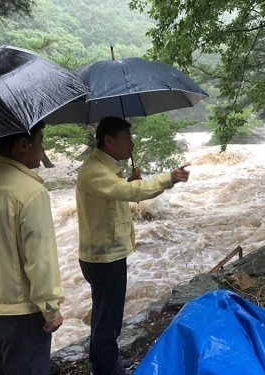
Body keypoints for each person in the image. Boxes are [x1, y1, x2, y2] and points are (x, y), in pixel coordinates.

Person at [76, 116, 190, 375]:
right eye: (127, 138)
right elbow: (131, 194)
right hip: (103, 258)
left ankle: (103, 359)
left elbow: (117, 194)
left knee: (104, 312)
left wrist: (128, 183)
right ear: (108, 140)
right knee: (109, 316)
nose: (132, 144)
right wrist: (168, 178)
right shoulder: (94, 171)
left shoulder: (103, 168)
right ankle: (107, 369)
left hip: (104, 254)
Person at [0, 121, 65, 375]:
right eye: (40, 141)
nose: (43, 149)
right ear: (24, 144)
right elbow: (40, 260)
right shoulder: (31, 192)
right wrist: (50, 310)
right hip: (18, 314)